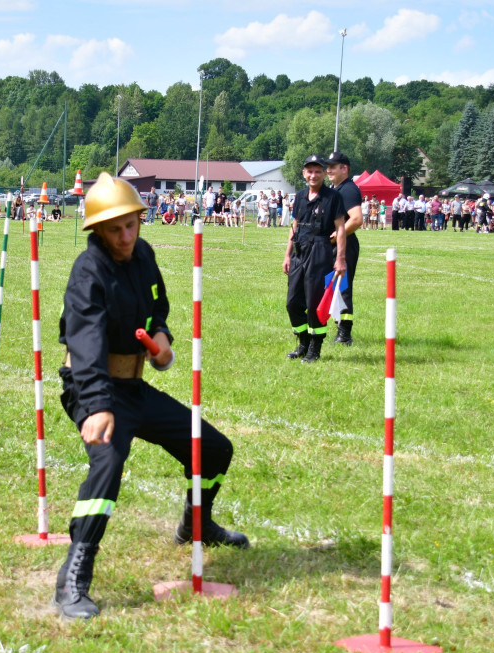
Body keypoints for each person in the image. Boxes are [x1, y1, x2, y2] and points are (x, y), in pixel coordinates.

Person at [54, 173, 248, 621]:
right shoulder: (88, 273)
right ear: (97, 230)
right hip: (90, 387)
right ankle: (72, 579)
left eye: (131, 225)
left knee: (214, 449)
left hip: (133, 387)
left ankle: (196, 524)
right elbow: (84, 345)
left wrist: (161, 339)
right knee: (108, 465)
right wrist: (98, 405)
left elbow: (156, 307)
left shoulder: (143, 254)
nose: (125, 237)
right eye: (115, 229)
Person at [284, 155, 347, 363]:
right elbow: (294, 225)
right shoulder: (300, 196)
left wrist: (340, 259)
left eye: (318, 171)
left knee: (314, 303)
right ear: (304, 173)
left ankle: (315, 348)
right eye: (309, 171)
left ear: (323, 174)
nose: (313, 175)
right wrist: (287, 255)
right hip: (299, 251)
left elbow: (340, 229)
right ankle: (303, 342)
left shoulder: (333, 197)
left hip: (320, 250)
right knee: (292, 302)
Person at [325, 151, 361, 345]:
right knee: (333, 287)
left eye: (333, 166)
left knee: (343, 288)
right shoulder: (336, 189)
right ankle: (338, 326)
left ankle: (345, 334)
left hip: (344, 246)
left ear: (344, 168)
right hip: (334, 245)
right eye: (328, 166)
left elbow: (356, 219)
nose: (328, 170)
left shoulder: (348, 189)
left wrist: (335, 237)